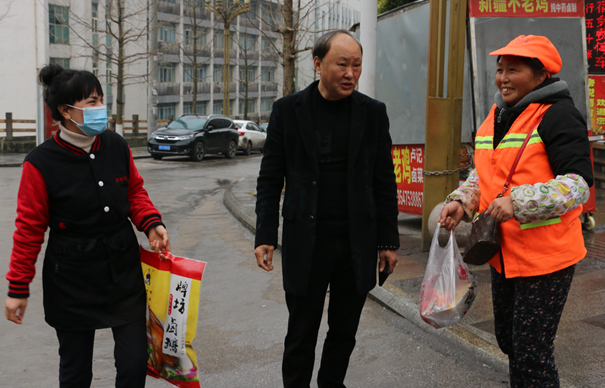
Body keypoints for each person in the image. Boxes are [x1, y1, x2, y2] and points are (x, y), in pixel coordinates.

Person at [438, 35, 593, 387]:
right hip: (503, 254)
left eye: (514, 70)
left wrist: (519, 202)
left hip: (547, 257)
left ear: (541, 75)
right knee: (510, 342)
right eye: (499, 70)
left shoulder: (559, 115)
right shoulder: (497, 115)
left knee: (531, 353)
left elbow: (578, 183)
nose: (503, 78)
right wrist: (462, 200)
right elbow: (485, 172)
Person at [4, 64, 171, 388]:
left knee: (135, 363)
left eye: (100, 100)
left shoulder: (116, 145)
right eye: (91, 102)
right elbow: (28, 230)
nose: (100, 109)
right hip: (71, 278)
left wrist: (151, 224)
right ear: (66, 111)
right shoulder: (40, 163)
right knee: (76, 371)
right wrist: (17, 288)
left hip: (122, 272)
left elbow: (134, 191)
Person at [254, 30, 400, 388]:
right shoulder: (288, 111)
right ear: (318, 64)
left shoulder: (372, 113)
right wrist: (265, 235)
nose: (350, 73)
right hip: (308, 241)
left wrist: (388, 241)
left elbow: (384, 180)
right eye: (342, 64)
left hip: (357, 242)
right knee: (301, 331)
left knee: (344, 331)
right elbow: (270, 179)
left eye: (356, 65)